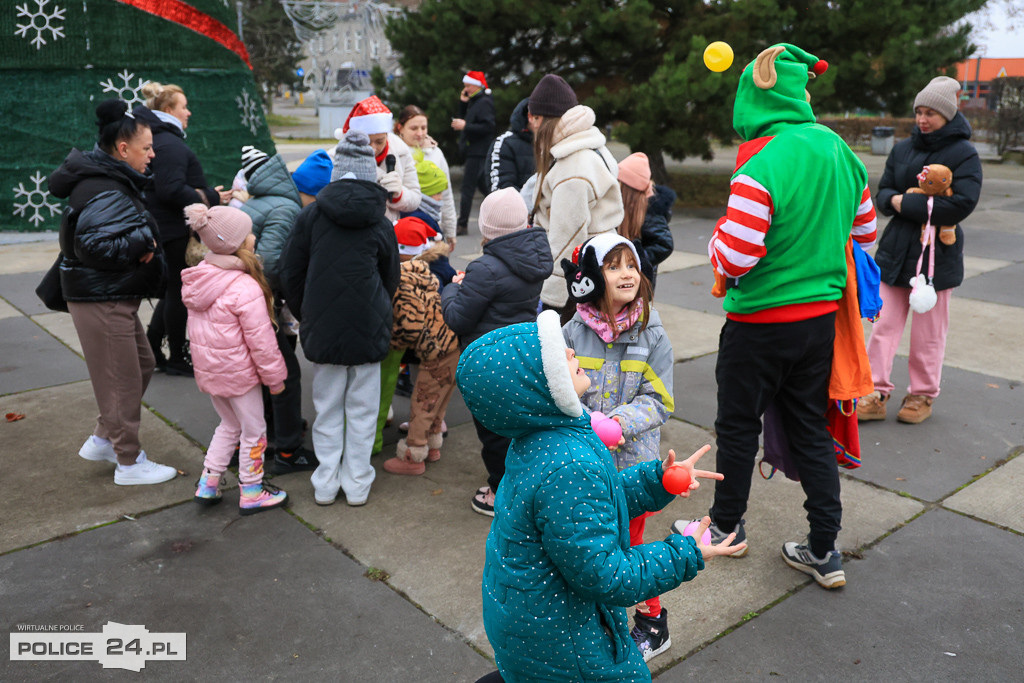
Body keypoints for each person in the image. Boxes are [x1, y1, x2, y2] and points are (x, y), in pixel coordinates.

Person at [673, 43, 878, 590]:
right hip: (819, 324)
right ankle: (823, 547)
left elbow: (736, 255)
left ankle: (723, 529)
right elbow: (864, 235)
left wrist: (716, 238)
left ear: (751, 97)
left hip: (759, 325)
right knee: (809, 428)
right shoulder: (838, 150)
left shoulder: (761, 163)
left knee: (738, 428)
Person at [457, 310, 743, 682]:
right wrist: (685, 552)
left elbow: (587, 506)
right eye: (558, 354)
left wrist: (657, 481)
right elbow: (608, 576)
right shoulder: (567, 462)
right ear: (534, 386)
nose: (572, 353)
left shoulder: (543, 438)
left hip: (532, 622)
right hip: (564, 642)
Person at [561, 234, 677, 662]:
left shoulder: (653, 332)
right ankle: (602, 618)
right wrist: (583, 422)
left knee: (628, 548)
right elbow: (562, 390)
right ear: (591, 278)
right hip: (587, 466)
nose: (627, 272)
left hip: (632, 469)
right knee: (594, 547)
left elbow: (659, 399)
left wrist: (616, 424)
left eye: (631, 264)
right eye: (613, 266)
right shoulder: (571, 331)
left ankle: (652, 622)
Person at [48, 98, 175, 486]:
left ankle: (104, 438)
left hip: (107, 296)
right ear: (123, 149)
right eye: (146, 148)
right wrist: (144, 242)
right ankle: (129, 462)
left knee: (142, 365)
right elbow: (92, 245)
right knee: (121, 380)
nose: (152, 155)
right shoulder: (106, 187)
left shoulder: (109, 178)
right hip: (101, 297)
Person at [280, 130, 400, 507]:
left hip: (324, 329)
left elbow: (291, 272)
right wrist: (377, 309)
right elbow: (391, 277)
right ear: (370, 173)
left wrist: (308, 312)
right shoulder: (381, 222)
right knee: (364, 410)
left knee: (327, 407)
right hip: (369, 328)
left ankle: (326, 482)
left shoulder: (311, 216)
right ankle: (358, 483)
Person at [858, 76, 982, 425]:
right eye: (919, 112)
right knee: (883, 327)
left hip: (936, 258)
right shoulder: (902, 149)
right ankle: (874, 391)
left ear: (947, 115)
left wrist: (903, 202)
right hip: (896, 252)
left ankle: (922, 395)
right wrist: (900, 200)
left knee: (928, 335)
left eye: (930, 113)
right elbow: (882, 195)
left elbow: (960, 206)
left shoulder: (964, 154)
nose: (922, 119)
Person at [440, 188, 552, 515]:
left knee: (492, 432)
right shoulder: (534, 257)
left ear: (487, 229)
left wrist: (451, 288)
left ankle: (500, 492)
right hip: (521, 355)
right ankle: (520, 481)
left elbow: (458, 318)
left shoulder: (484, 268)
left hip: (489, 361)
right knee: (515, 428)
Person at [180, 204, 289, 514]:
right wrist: (275, 379)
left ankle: (209, 482)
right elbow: (262, 341)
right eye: (249, 233)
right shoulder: (243, 286)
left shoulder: (199, 278)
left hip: (212, 372)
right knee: (255, 430)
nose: (253, 237)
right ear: (237, 243)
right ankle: (252, 489)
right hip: (240, 375)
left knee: (228, 425)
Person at [133, 82, 231, 377]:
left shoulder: (160, 139)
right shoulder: (170, 144)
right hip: (173, 229)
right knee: (178, 293)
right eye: (183, 106)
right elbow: (170, 189)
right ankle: (176, 356)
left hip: (166, 227)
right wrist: (211, 197)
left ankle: (152, 350)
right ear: (168, 110)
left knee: (172, 291)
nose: (188, 112)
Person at [233, 146, 317, 475]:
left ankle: (267, 434)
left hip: (249, 302)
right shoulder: (284, 208)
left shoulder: (253, 204)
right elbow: (270, 268)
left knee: (262, 375)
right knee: (284, 373)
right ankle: (287, 448)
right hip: (263, 304)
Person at [527, 74, 624, 314]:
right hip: (598, 270)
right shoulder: (588, 147)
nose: (530, 123)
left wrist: (551, 302)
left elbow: (567, 239)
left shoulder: (573, 166)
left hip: (578, 287)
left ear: (540, 118)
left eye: (533, 117)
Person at [381, 217, 461, 475]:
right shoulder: (426, 271)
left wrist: (394, 342)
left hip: (435, 352)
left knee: (423, 404)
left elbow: (411, 325)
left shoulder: (403, 279)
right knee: (439, 403)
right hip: (453, 344)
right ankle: (433, 445)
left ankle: (413, 456)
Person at [339, 95, 421, 222]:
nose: (373, 148)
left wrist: (399, 195)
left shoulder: (401, 151)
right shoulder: (337, 156)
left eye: (379, 141)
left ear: (387, 135)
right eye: (366, 141)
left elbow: (415, 198)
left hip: (391, 232)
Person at [395, 105, 458, 248]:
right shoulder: (394, 152)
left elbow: (446, 194)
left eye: (424, 128)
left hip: (434, 228)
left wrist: (450, 231)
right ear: (400, 128)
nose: (420, 133)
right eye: (414, 128)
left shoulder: (436, 153)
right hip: (404, 231)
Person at [616, 153, 675, 292]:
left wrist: (633, 261)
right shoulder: (622, 206)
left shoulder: (650, 211)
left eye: (619, 182)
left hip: (639, 285)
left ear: (628, 188)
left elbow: (664, 244)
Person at [451, 70, 496, 235]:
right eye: (465, 86)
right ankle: (502, 210)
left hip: (479, 151)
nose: (466, 89)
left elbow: (488, 127)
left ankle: (462, 225)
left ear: (477, 85)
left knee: (467, 188)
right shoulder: (475, 101)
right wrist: (462, 104)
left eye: (468, 85)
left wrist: (465, 127)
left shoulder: (484, 102)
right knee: (483, 186)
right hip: (474, 150)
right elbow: (467, 120)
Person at [483, 97, 534, 194]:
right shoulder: (504, 143)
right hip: (518, 207)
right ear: (530, 117)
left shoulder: (555, 142)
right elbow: (501, 191)